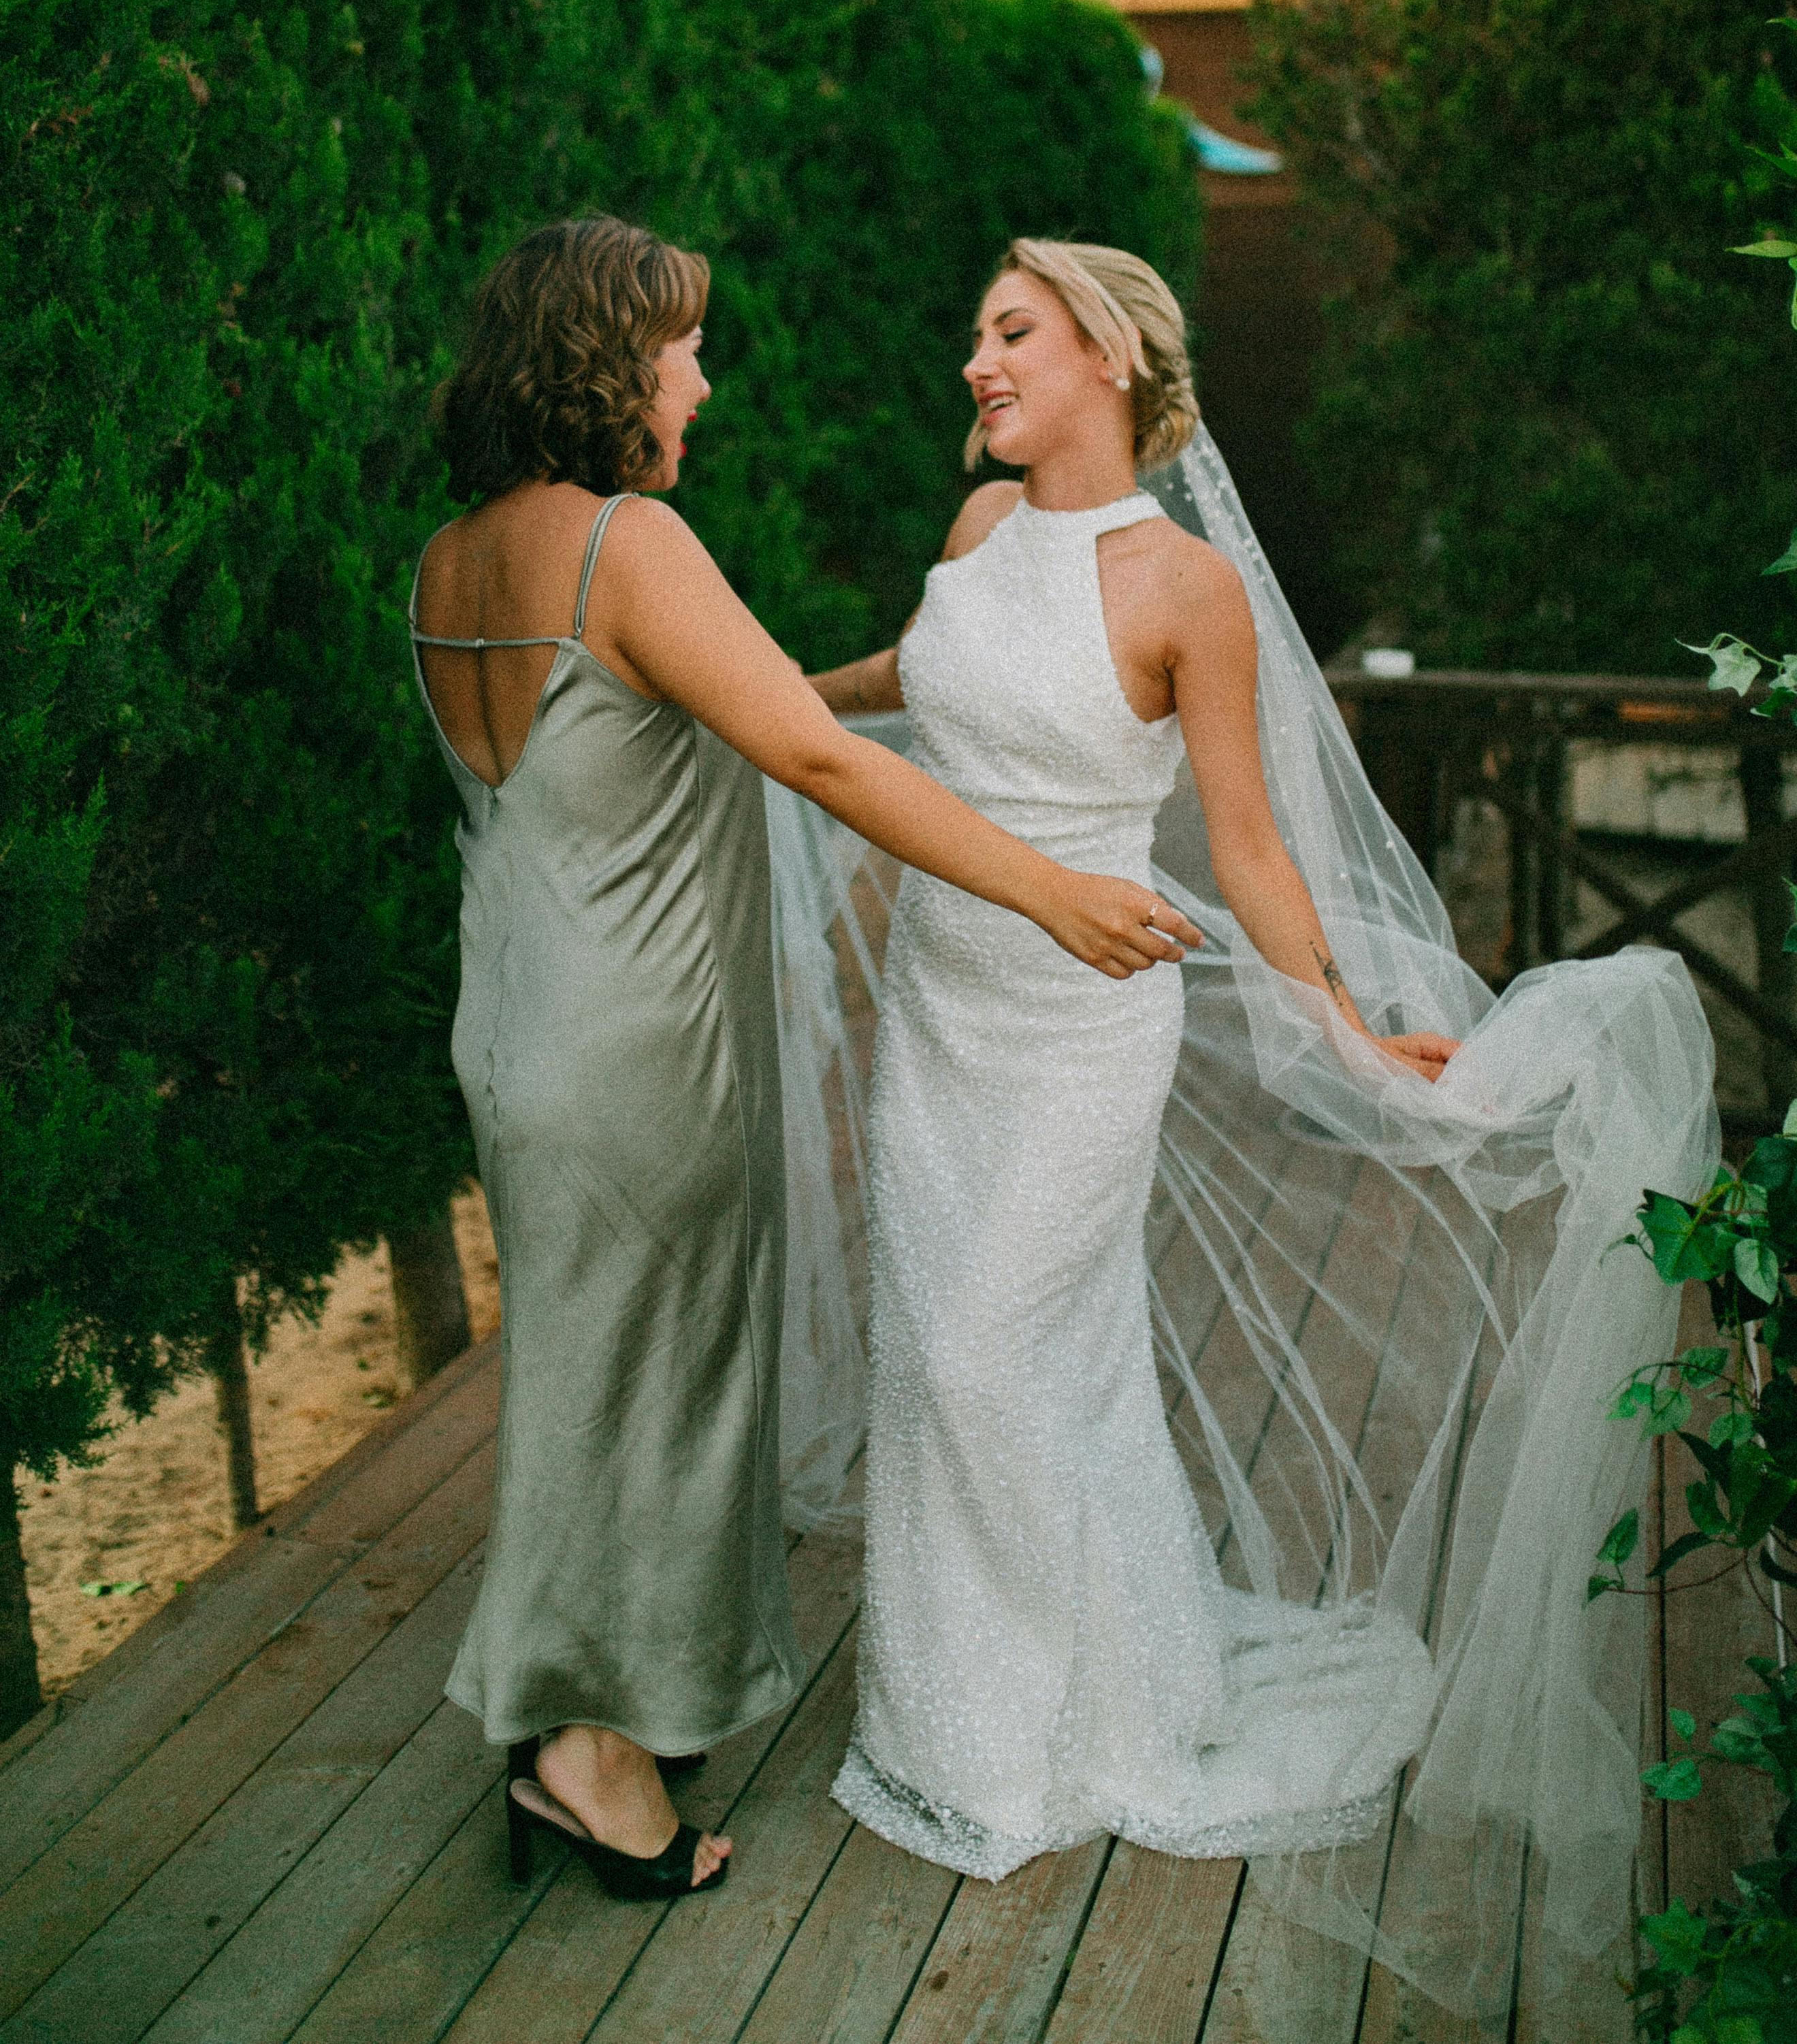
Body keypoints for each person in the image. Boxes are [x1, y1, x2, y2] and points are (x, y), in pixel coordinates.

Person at [796, 239, 1714, 2026]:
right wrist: (752, 693)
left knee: (998, 1354)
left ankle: (1090, 1721)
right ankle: (984, 1729)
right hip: (942, 1021)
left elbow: (1260, 839)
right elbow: (913, 677)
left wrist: (1353, 1031)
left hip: (1081, 1027)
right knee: (977, 1358)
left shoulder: (1189, 587)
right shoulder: (981, 537)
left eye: (1010, 332)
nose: (974, 363)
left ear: (1113, 350)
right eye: (974, 332)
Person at [412, 216, 1199, 1901]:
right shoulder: (631, 541)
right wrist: (1054, 890)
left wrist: (911, 698)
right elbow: (812, 760)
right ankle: (596, 1762)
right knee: (667, 1391)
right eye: (679, 348)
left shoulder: (452, 556)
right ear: (606, 365)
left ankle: (582, 1706)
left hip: (514, 1033)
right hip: (643, 1051)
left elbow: (744, 713)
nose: (700, 380)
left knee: (581, 1375)